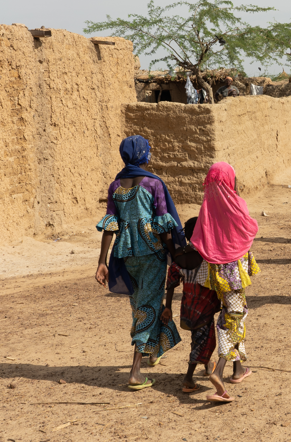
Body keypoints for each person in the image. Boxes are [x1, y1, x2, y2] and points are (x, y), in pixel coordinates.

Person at [95, 135, 183, 391]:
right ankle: (135, 370)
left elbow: (110, 225)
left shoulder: (115, 186)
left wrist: (102, 262)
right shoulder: (153, 184)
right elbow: (164, 225)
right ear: (144, 154)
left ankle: (154, 352)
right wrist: (175, 254)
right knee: (148, 305)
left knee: (140, 305)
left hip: (126, 255)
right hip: (152, 253)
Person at [191, 162, 260, 403]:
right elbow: (250, 229)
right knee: (233, 317)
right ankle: (219, 370)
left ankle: (238, 369)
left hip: (214, 274)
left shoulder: (206, 209)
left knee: (234, 314)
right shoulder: (237, 205)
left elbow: (198, 239)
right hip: (234, 274)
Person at [162, 217, 221, 393]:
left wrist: (168, 306)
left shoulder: (180, 256)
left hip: (188, 306)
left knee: (198, 338)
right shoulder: (207, 254)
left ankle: (208, 364)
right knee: (204, 339)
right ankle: (188, 377)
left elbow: (171, 282)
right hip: (204, 305)